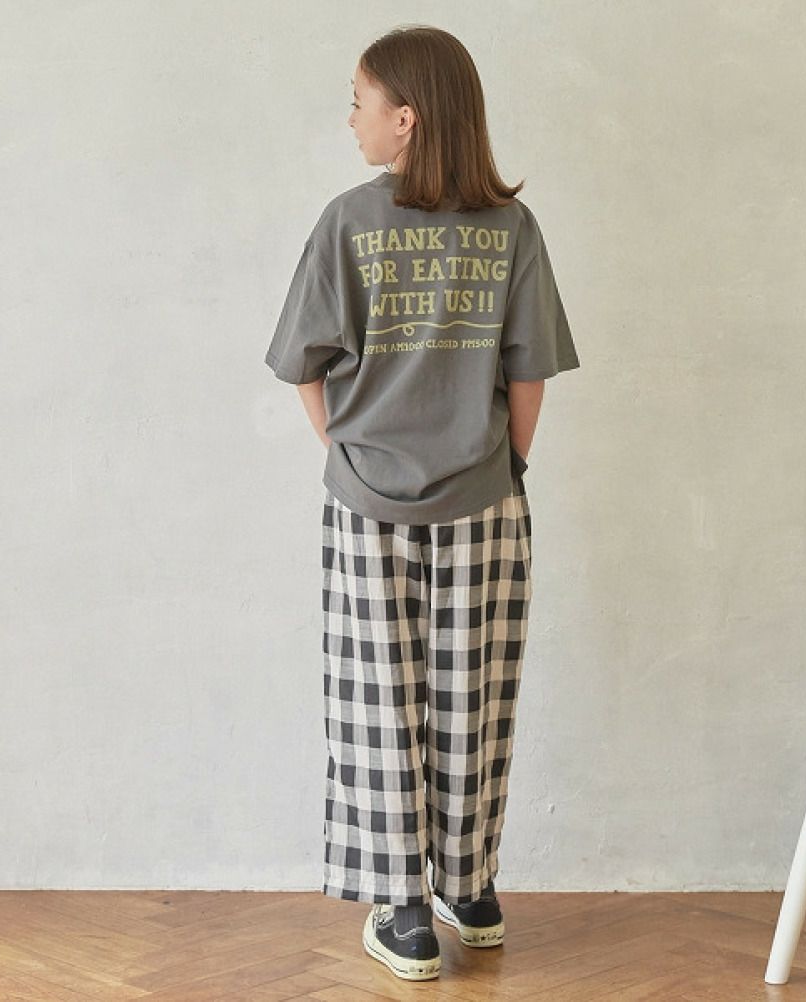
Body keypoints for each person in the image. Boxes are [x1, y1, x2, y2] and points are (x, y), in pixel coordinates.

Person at [264, 25, 580, 982]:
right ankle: (469, 890)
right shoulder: (510, 228)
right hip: (485, 499)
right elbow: (528, 373)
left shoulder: (348, 222)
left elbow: (302, 364)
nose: (351, 118)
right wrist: (503, 466)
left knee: (378, 705)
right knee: (473, 695)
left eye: (359, 101)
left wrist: (346, 455)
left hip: (368, 507)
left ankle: (403, 910)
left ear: (405, 119)